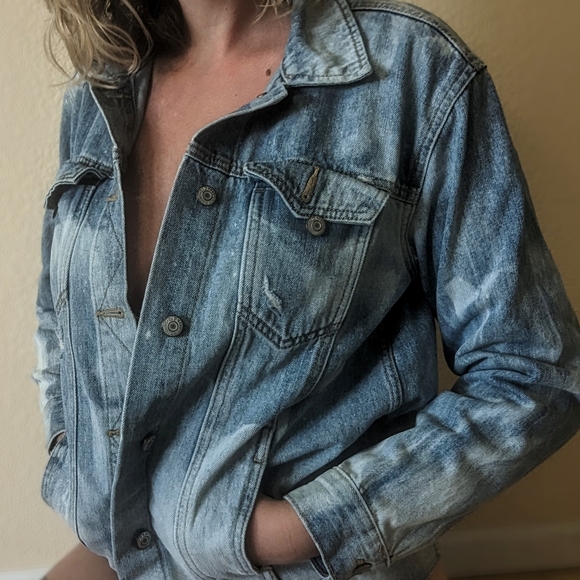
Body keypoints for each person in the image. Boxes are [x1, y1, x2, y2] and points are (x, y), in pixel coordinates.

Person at [34, 0, 580, 578]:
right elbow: (58, 320)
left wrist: (307, 527)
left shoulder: (410, 72)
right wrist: (74, 462)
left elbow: (533, 371)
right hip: (122, 558)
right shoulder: (102, 87)